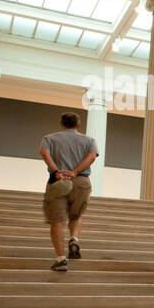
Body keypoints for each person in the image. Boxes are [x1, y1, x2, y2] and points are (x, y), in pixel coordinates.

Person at [39, 111, 99, 272]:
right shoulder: (89, 140)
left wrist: (57, 171)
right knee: (76, 215)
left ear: (61, 124)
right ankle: (74, 238)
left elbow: (44, 153)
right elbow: (92, 157)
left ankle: (61, 259)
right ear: (78, 125)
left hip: (58, 182)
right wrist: (75, 172)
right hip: (81, 182)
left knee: (57, 221)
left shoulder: (49, 138)